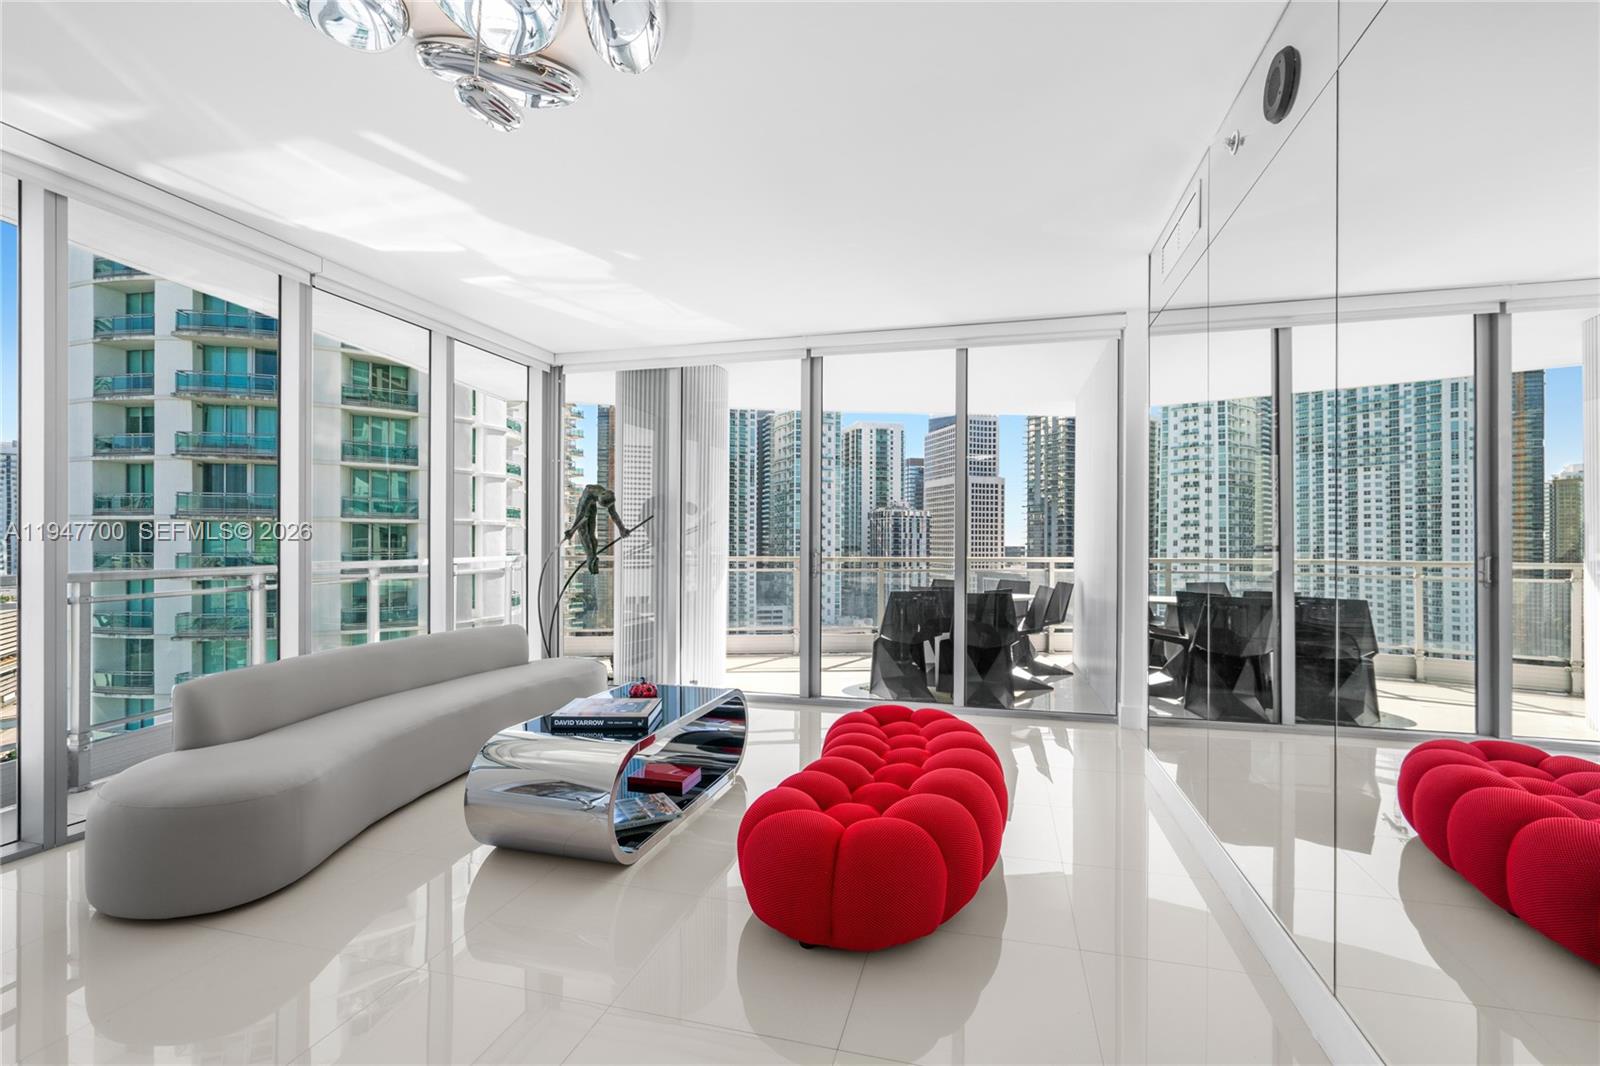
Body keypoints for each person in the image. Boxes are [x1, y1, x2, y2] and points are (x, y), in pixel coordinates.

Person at [563, 483, 633, 575]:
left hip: (592, 505)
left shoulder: (609, 497)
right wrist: (572, 530)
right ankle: (590, 556)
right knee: (584, 532)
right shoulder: (589, 492)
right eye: (601, 504)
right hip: (584, 506)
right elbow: (581, 514)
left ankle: (593, 557)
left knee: (591, 533)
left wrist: (622, 529)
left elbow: (614, 514)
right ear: (601, 495)